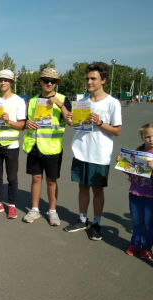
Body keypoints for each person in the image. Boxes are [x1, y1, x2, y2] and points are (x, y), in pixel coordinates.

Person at [64, 62, 122, 241]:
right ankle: (82, 219)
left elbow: (117, 130)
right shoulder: (82, 102)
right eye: (87, 78)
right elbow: (74, 125)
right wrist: (70, 119)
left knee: (97, 190)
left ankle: (96, 223)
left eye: (93, 78)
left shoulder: (112, 103)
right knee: (82, 187)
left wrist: (100, 123)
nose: (89, 82)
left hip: (100, 154)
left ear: (103, 80)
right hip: (81, 151)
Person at [22, 68, 71, 226]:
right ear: (40, 81)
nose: (49, 83)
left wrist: (60, 105)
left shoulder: (63, 99)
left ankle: (52, 211)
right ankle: (35, 210)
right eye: (46, 80)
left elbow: (71, 121)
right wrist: (26, 124)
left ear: (57, 83)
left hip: (52, 148)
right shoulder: (33, 100)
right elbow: (25, 121)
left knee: (51, 181)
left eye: (53, 81)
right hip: (35, 146)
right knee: (36, 178)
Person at [0, 69, 26, 219]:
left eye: (6, 80)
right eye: (0, 80)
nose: (2, 82)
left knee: (12, 178)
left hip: (11, 145)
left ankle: (12, 205)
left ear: (11, 82)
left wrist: (8, 121)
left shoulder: (19, 101)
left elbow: (21, 125)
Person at [120, 123, 153, 259]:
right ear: (142, 137)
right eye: (147, 136)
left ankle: (147, 247)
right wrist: (123, 164)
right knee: (136, 221)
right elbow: (132, 174)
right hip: (135, 193)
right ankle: (135, 244)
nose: (151, 139)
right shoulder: (139, 153)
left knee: (149, 223)